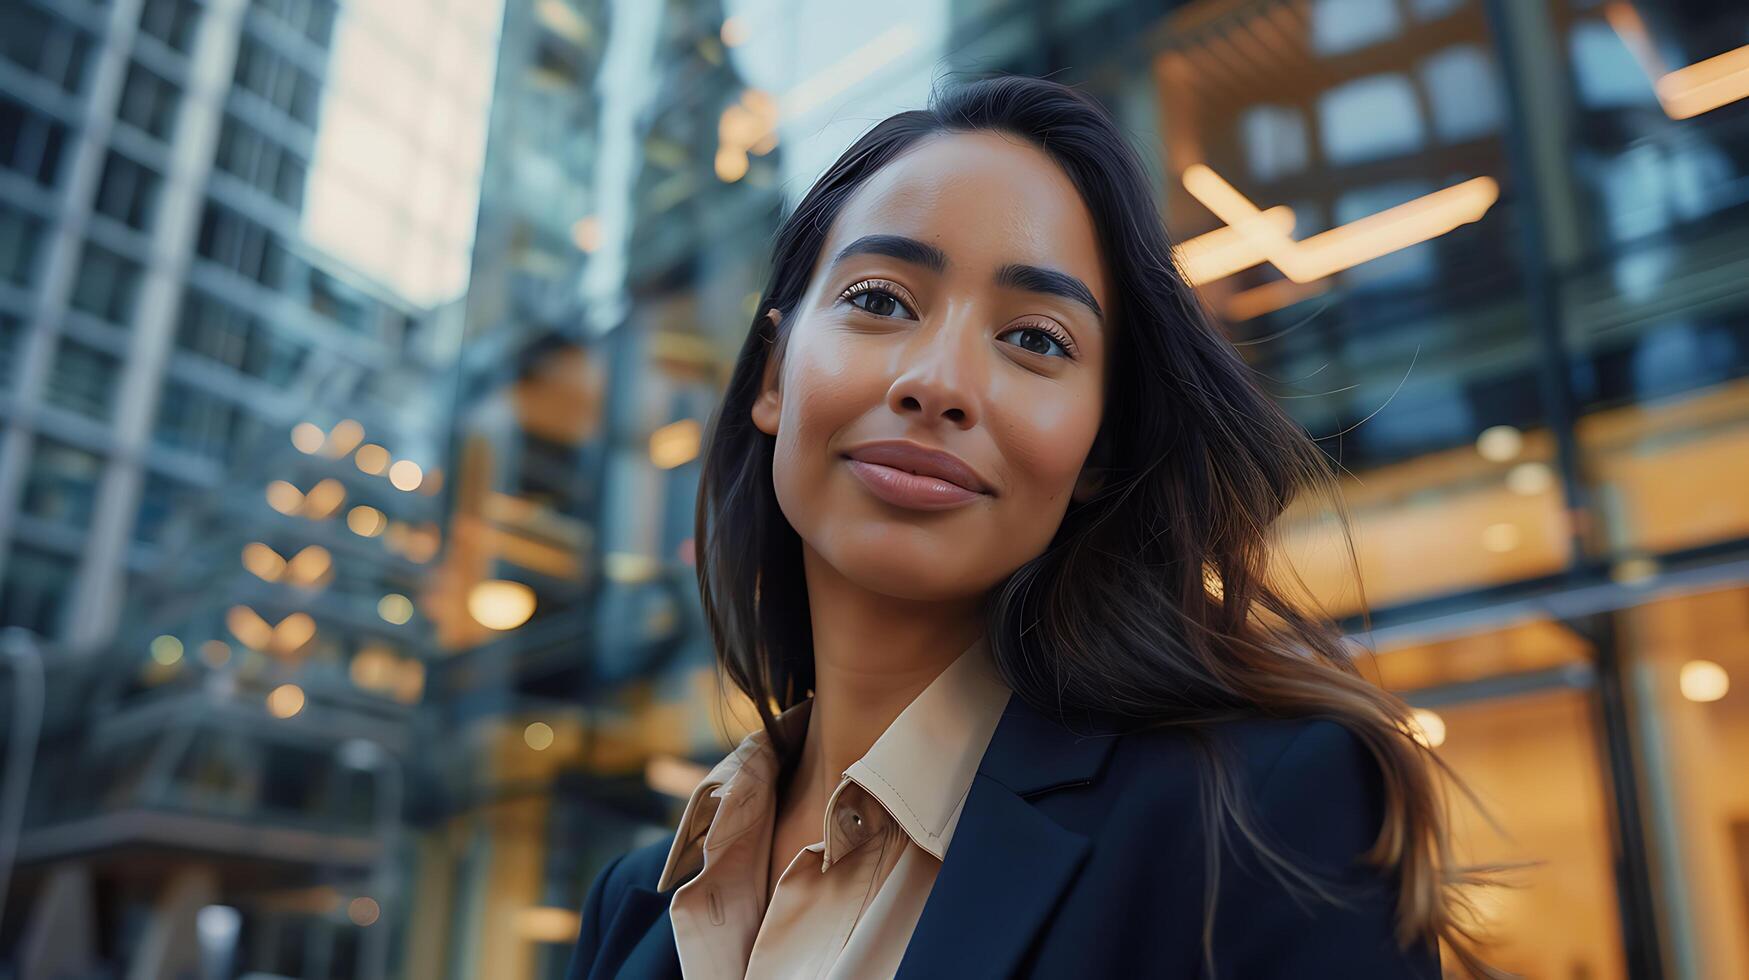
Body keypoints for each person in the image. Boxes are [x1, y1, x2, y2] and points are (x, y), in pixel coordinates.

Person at [564, 74, 1505, 979]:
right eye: (879, 300)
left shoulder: (1253, 815)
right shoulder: (632, 904)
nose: (936, 383)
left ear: (1098, 447)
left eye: (1035, 340)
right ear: (773, 376)